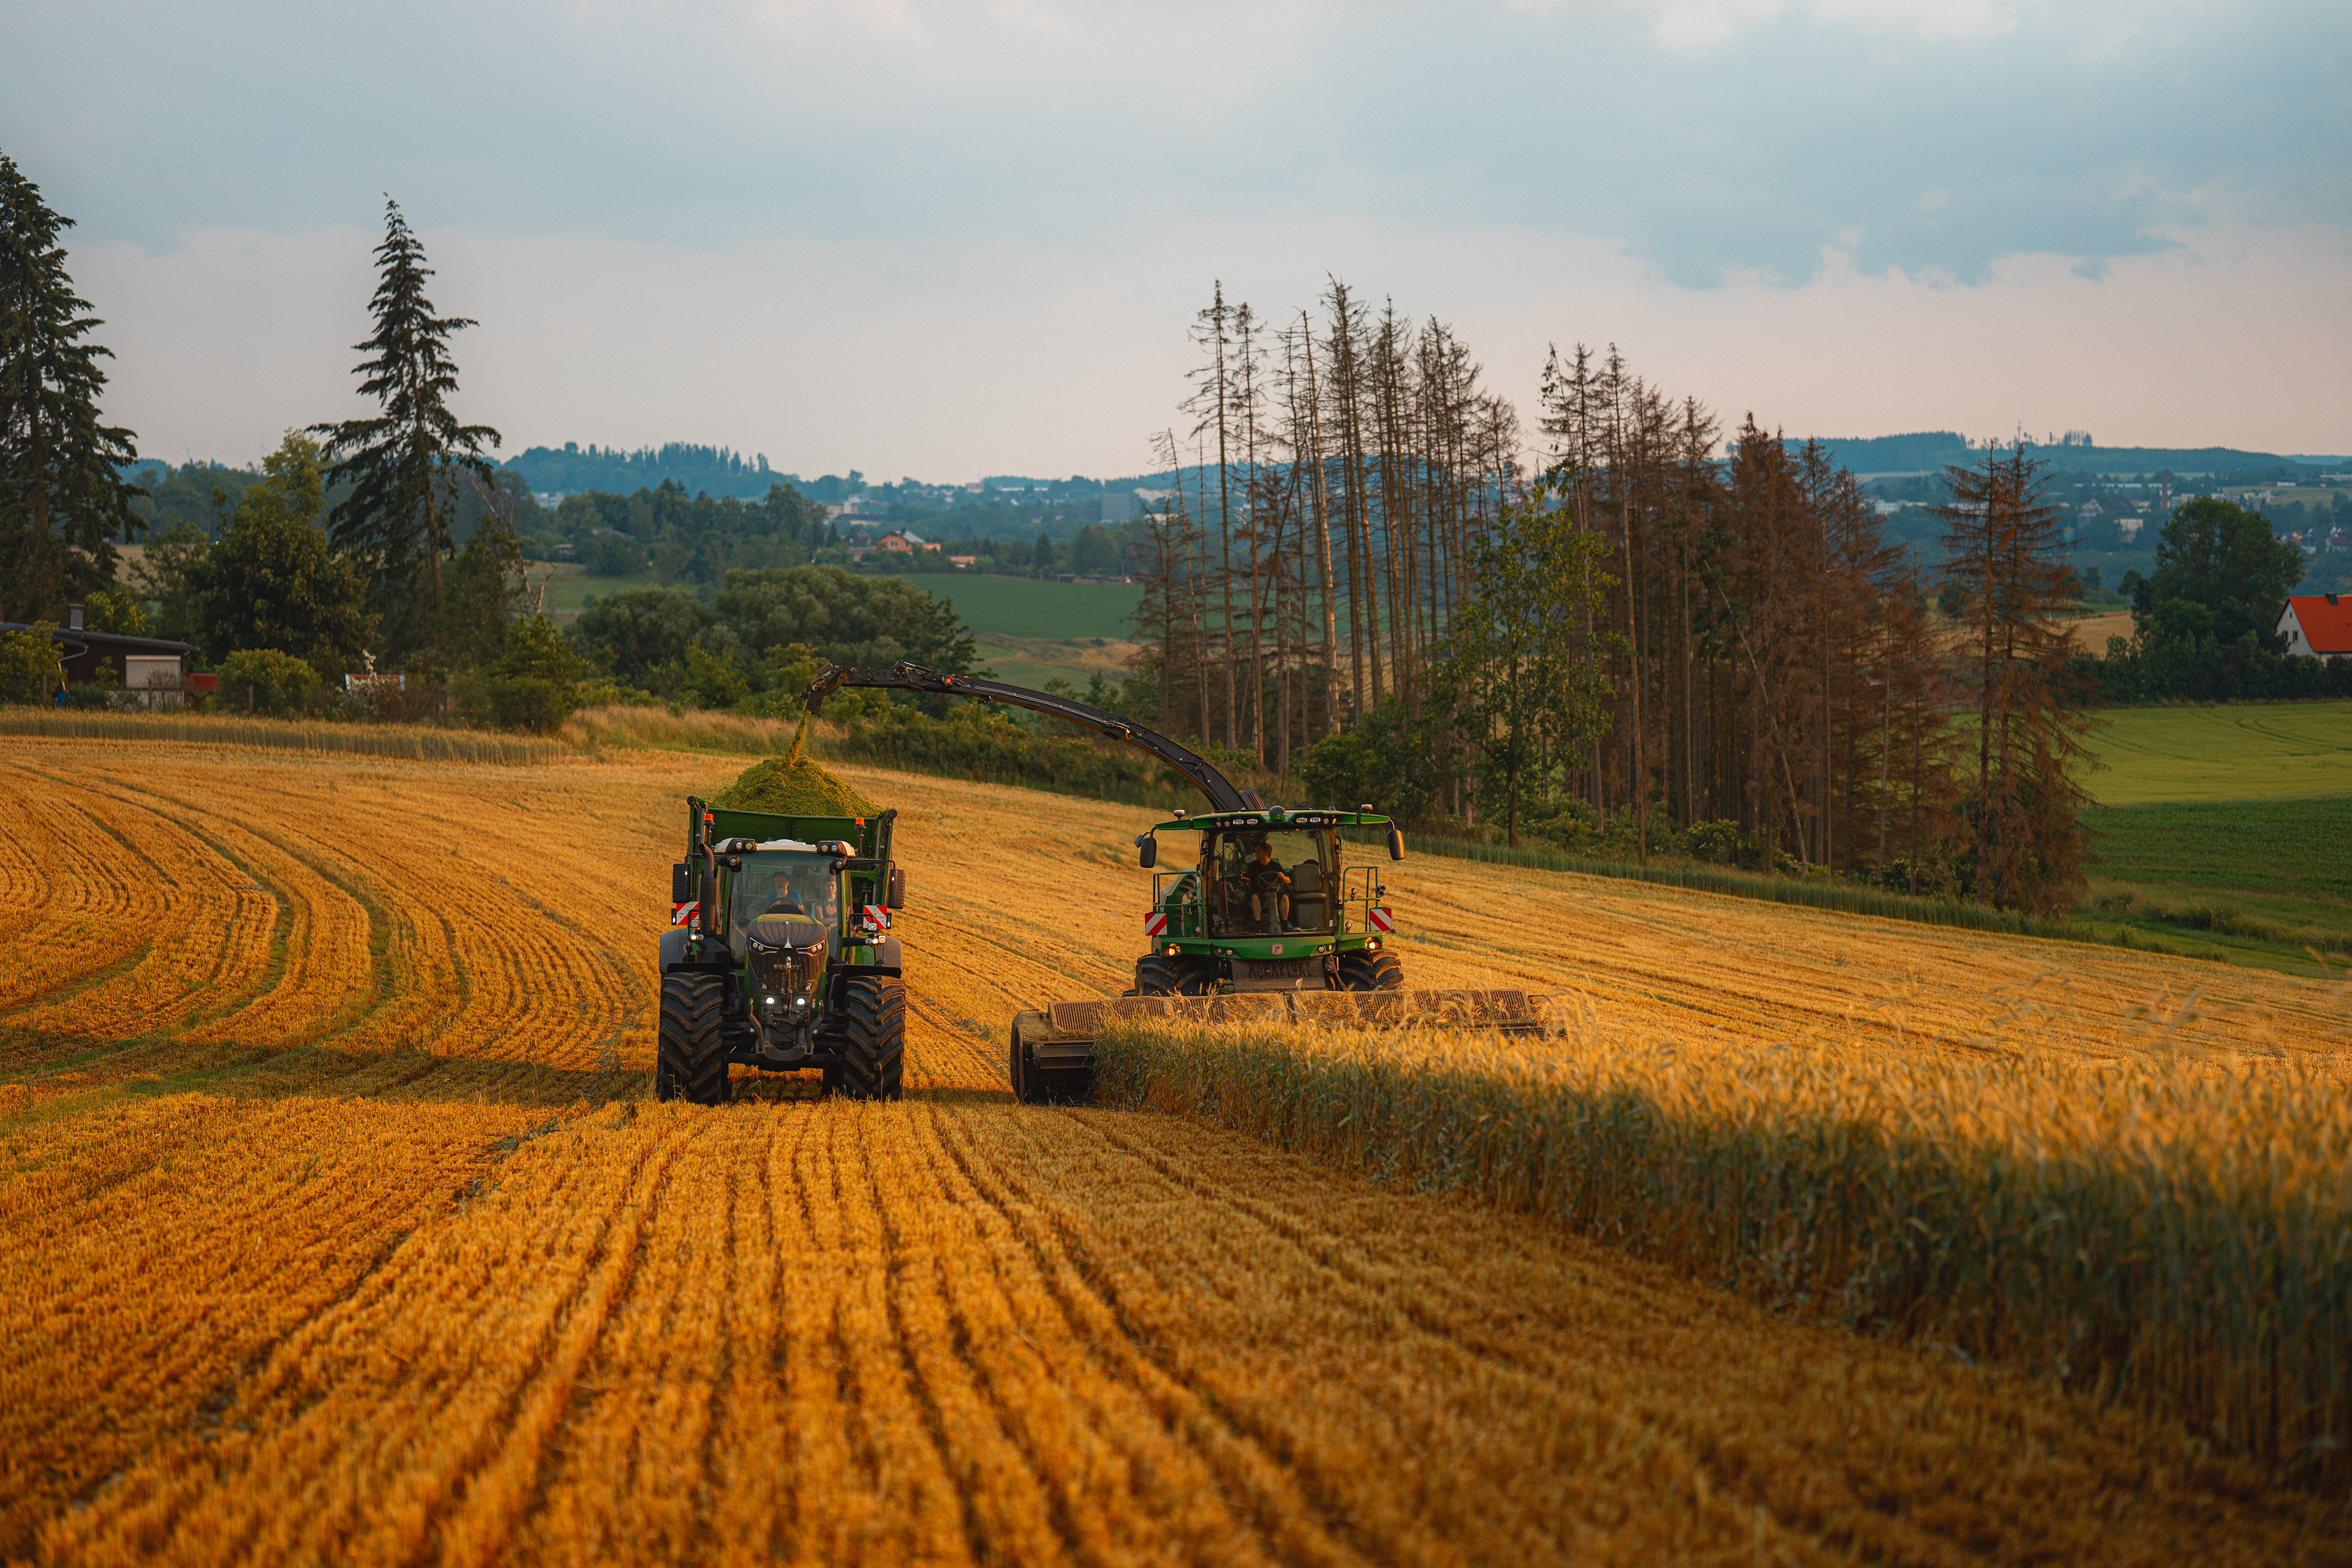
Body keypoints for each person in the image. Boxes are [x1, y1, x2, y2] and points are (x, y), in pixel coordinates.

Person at [1245, 839, 1291, 932]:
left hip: (1275, 892)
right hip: (1260, 892)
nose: (1257, 853)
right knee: (1254, 897)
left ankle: (1285, 923)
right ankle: (1258, 924)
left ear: (1266, 854)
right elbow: (1247, 879)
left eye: (1259, 851)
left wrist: (1283, 877)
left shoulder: (1276, 866)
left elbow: (1288, 881)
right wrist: (1244, 882)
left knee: (1285, 897)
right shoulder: (1253, 866)